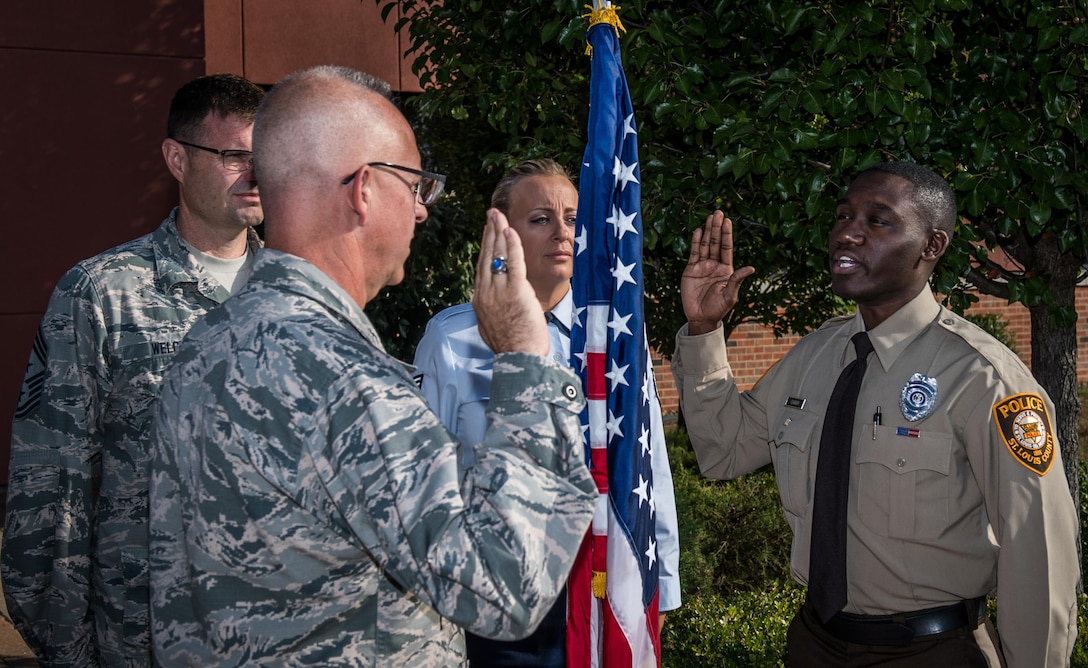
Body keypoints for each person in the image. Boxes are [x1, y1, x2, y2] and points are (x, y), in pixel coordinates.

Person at [147, 66, 597, 667]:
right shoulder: (342, 378)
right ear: (362, 190)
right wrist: (523, 359)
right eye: (415, 185)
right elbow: (504, 584)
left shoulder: (208, 342)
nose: (421, 212)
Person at [671, 161, 1078, 667]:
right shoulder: (816, 356)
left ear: (932, 246)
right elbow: (722, 452)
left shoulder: (984, 379)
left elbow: (1036, 555)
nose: (848, 234)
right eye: (843, 217)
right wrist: (703, 329)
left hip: (932, 652)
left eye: (877, 221)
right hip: (815, 645)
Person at [3, 72, 265, 667]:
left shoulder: (295, 292)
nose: (255, 174)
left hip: (272, 633)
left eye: (265, 156)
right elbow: (52, 485)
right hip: (143, 631)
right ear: (177, 158)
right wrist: (66, 645)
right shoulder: (103, 293)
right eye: (233, 156)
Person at [413, 158, 681, 666]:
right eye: (540, 219)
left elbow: (650, 466)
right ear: (502, 232)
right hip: (501, 598)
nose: (562, 233)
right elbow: (429, 486)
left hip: (608, 587)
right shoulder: (453, 340)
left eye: (574, 219)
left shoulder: (617, 337)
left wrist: (659, 586)